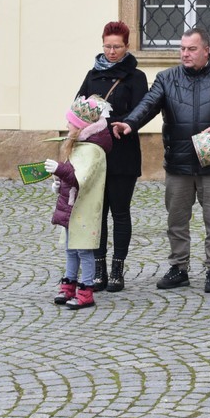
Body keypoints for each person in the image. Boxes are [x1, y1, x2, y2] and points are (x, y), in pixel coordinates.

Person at [112, 27, 210, 293]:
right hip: (178, 163)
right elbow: (148, 105)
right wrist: (130, 123)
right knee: (176, 221)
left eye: (191, 49)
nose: (185, 54)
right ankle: (179, 268)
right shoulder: (167, 78)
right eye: (182, 48)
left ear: (206, 50)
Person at [76, 21, 148, 293]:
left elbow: (141, 111)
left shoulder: (136, 77)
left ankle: (117, 269)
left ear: (127, 46)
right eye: (107, 46)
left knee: (119, 211)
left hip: (123, 152)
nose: (111, 51)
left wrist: (121, 121)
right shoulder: (92, 75)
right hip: (95, 153)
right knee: (97, 213)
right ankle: (99, 270)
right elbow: (78, 107)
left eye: (117, 46)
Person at [46, 96, 113, 310]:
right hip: (72, 206)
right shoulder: (79, 145)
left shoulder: (92, 150)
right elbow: (71, 176)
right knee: (70, 249)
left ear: (81, 125)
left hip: (84, 209)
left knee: (83, 250)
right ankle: (68, 285)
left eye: (71, 122)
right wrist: (59, 185)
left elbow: (80, 178)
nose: (67, 125)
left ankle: (85, 291)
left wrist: (59, 169)